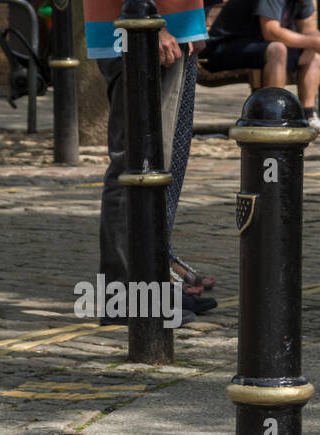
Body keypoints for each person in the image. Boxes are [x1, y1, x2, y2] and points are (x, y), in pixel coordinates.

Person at [84, 0, 216, 322]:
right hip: (141, 30)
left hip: (172, 30)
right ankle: (124, 296)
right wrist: (153, 23)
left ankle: (153, 280)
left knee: (162, 165)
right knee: (136, 164)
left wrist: (192, 23)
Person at [202, 0, 320, 132]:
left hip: (259, 45)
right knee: (277, 50)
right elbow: (271, 31)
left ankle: (308, 116)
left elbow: (307, 28)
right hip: (223, 47)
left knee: (313, 53)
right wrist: (313, 42)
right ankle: (274, 116)